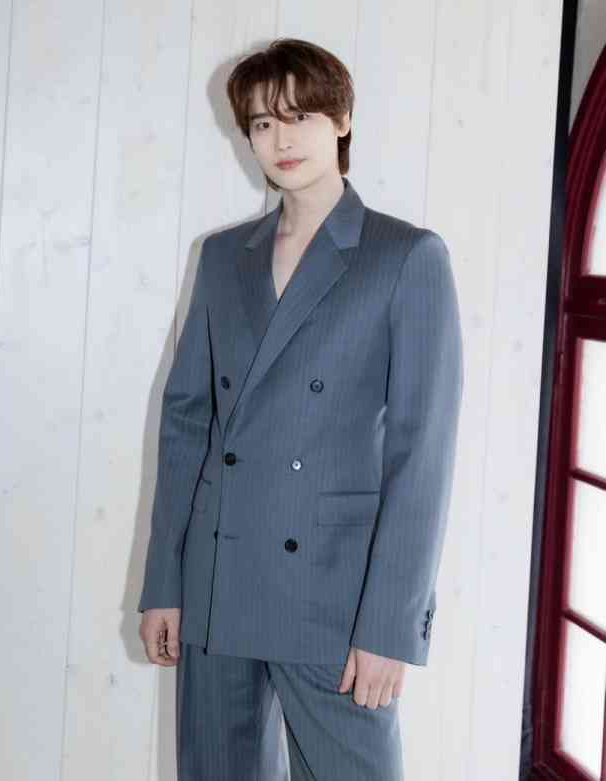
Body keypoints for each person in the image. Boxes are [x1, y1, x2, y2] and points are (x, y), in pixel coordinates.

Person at [138, 37, 463, 781]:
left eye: (299, 117)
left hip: (333, 600)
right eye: (260, 123)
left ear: (342, 119)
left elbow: (422, 455)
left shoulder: (405, 256)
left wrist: (390, 627)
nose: (280, 140)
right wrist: (165, 584)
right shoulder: (224, 257)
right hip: (216, 582)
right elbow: (186, 424)